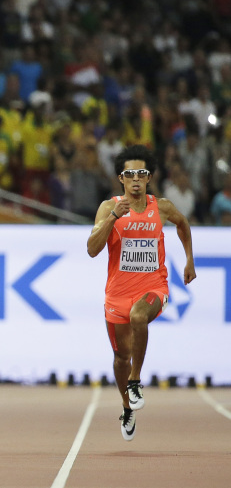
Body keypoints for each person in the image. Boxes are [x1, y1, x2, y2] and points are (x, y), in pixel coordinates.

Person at [86, 144, 195, 441]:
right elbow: (92, 250)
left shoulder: (161, 207)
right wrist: (112, 220)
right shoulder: (109, 208)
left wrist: (189, 260)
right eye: (130, 173)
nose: (136, 178)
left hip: (153, 288)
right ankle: (127, 405)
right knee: (121, 358)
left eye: (142, 173)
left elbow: (183, 224)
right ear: (121, 178)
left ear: (149, 178)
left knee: (139, 317)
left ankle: (136, 381)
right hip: (117, 295)